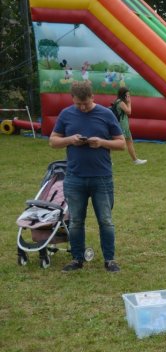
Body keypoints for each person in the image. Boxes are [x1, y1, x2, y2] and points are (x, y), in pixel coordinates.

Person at [50, 81, 126, 273]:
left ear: (93, 97)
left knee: (106, 221)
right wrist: (70, 140)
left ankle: (110, 260)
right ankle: (77, 259)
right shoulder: (66, 114)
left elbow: (121, 144)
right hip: (75, 178)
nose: (82, 107)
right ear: (72, 99)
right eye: (78, 104)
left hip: (102, 178)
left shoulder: (106, 114)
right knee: (75, 221)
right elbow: (53, 141)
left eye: (86, 103)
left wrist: (101, 142)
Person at [111, 87, 146, 165]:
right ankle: (108, 159)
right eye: (127, 95)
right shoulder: (120, 102)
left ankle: (135, 160)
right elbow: (129, 111)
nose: (128, 97)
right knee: (117, 143)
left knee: (129, 141)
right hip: (121, 125)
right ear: (123, 95)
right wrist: (129, 102)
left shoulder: (120, 101)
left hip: (124, 125)